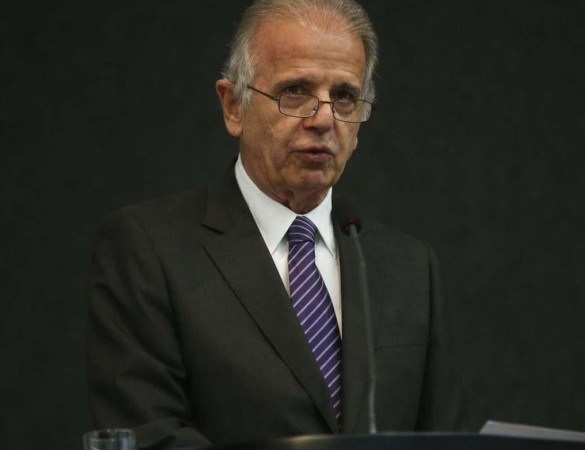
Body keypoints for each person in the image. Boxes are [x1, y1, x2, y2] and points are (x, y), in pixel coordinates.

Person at [86, 1, 464, 448]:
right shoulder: (149, 249)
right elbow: (151, 435)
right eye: (295, 91)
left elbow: (444, 437)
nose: (323, 119)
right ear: (233, 106)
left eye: (344, 97)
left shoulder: (409, 266)